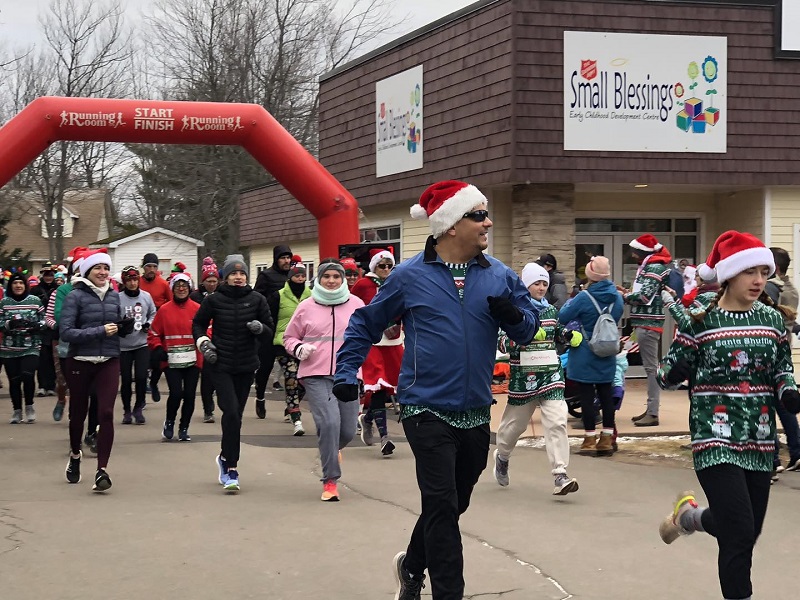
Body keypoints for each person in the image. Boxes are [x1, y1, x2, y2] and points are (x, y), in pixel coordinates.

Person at [334, 180, 538, 600]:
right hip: (424, 407)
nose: (489, 222)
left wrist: (514, 317)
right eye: (478, 215)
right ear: (450, 226)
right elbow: (365, 323)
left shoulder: (499, 275)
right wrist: (347, 370)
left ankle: (411, 565)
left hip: (477, 409)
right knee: (443, 507)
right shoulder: (409, 276)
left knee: (452, 503)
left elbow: (530, 328)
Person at [656, 230, 799, 600]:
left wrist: (790, 392)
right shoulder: (700, 320)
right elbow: (667, 374)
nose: (758, 281)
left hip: (760, 437)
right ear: (727, 275)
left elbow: (781, 369)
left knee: (747, 529)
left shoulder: (771, 319)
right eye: (749, 272)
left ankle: (689, 517)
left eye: (763, 272)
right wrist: (679, 359)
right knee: (738, 530)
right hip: (713, 436)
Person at [493, 262, 580, 495]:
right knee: (514, 427)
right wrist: (525, 335)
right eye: (536, 283)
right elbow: (502, 342)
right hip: (525, 379)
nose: (541, 288)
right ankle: (502, 456)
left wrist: (568, 335)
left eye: (544, 284)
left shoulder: (551, 311)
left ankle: (560, 474)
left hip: (551, 375)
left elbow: (556, 330)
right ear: (525, 285)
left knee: (557, 421)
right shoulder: (514, 311)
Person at [283, 261, 364, 500]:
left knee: (348, 430)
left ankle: (332, 449)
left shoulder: (356, 304)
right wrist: (299, 348)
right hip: (315, 374)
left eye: (336, 277)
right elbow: (289, 337)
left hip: (347, 374)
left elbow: (366, 334)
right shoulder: (306, 306)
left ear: (343, 279)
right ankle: (330, 481)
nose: (331, 281)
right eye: (326, 276)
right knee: (329, 423)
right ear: (319, 279)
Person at [192, 254, 273, 492]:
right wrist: (203, 343)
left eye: (242, 274)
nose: (238, 278)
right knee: (231, 413)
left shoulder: (257, 299)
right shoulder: (214, 300)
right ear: (225, 277)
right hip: (220, 363)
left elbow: (269, 330)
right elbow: (197, 324)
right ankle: (232, 468)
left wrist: (260, 328)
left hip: (246, 365)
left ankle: (224, 456)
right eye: (233, 274)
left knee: (235, 415)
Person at [60, 250, 134, 492]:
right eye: (97, 268)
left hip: (109, 360)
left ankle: (102, 469)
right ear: (87, 272)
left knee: (106, 412)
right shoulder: (75, 296)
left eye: (105, 268)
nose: (103, 272)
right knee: (78, 414)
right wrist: (101, 331)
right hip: (80, 361)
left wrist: (125, 327)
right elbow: (67, 332)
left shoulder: (115, 296)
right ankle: (74, 454)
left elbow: (117, 326)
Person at [558, 256, 624, 455]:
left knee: (586, 397)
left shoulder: (583, 297)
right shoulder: (617, 298)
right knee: (606, 395)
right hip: (607, 352)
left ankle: (588, 439)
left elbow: (563, 316)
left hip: (584, 353)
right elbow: (617, 316)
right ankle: (606, 439)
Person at [350, 248, 403, 457]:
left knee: (393, 385)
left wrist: (397, 322)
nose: (387, 269)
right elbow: (353, 308)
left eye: (390, 266)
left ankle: (367, 417)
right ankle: (385, 437)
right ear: (374, 267)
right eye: (382, 266)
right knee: (378, 386)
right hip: (372, 342)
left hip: (393, 341)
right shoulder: (364, 284)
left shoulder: (397, 283)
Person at [620, 234, 672, 427]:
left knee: (651, 369)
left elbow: (644, 297)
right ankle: (650, 409)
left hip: (648, 324)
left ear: (643, 251)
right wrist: (626, 293)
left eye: (635, 252)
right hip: (645, 323)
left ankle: (653, 412)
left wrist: (624, 297)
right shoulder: (651, 266)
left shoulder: (653, 268)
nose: (633, 256)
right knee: (651, 368)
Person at [149, 273, 202, 442]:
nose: (181, 290)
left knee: (189, 394)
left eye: (184, 287)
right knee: (176, 393)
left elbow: (207, 329)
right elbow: (153, 333)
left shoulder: (197, 308)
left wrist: (204, 342)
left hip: (193, 359)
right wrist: (157, 348)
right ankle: (170, 422)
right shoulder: (164, 310)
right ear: (172, 289)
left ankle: (184, 427)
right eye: (178, 287)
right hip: (171, 360)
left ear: (189, 288)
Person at [267, 259, 311, 434]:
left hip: (306, 344)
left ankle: (292, 405)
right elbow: (270, 318)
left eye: (302, 275)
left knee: (305, 380)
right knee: (291, 377)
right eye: (297, 275)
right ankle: (296, 418)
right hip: (283, 343)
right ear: (290, 277)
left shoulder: (312, 295)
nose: (300, 278)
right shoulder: (278, 296)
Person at [0, 273, 45, 424]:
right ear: (10, 285)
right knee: (14, 381)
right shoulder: (4, 302)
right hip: (9, 348)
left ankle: (29, 406)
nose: (18, 286)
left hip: (30, 346)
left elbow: (44, 320)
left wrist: (36, 326)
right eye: (15, 283)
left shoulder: (35, 301)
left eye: (21, 283)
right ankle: (17, 411)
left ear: (26, 285)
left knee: (27, 375)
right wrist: (7, 325)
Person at [253, 245, 293, 411]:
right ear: (276, 259)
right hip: (270, 328)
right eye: (283, 258)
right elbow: (258, 299)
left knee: (291, 371)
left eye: (288, 257)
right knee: (265, 367)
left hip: (289, 330)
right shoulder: (266, 276)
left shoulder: (294, 276)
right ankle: (260, 396)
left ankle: (292, 405)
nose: (286, 261)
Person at [118, 266, 156, 425]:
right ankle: (126, 410)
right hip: (123, 346)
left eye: (135, 280)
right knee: (126, 379)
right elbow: (112, 317)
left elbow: (153, 313)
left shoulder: (146, 296)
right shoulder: (117, 298)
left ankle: (138, 408)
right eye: (129, 280)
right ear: (124, 282)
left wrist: (148, 323)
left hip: (141, 344)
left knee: (141, 377)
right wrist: (120, 327)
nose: (132, 283)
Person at [190, 257, 219, 422]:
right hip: (202, 340)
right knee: (207, 375)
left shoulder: (222, 294)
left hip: (220, 337)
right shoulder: (196, 297)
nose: (212, 283)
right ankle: (208, 409)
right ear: (203, 281)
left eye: (215, 280)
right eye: (209, 281)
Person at [139, 252, 171, 403]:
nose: (151, 269)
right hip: (141, 320)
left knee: (157, 360)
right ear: (143, 268)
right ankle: (142, 393)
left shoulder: (163, 284)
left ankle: (154, 383)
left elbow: (172, 303)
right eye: (148, 266)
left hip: (159, 320)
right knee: (143, 360)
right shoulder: (137, 282)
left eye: (154, 266)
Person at [30, 261, 58, 397]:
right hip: (40, 328)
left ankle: (51, 386)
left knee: (53, 359)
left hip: (53, 328)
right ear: (42, 275)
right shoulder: (35, 290)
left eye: (51, 275)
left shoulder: (58, 289)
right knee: (42, 359)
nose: (48, 277)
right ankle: (41, 386)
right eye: (46, 275)